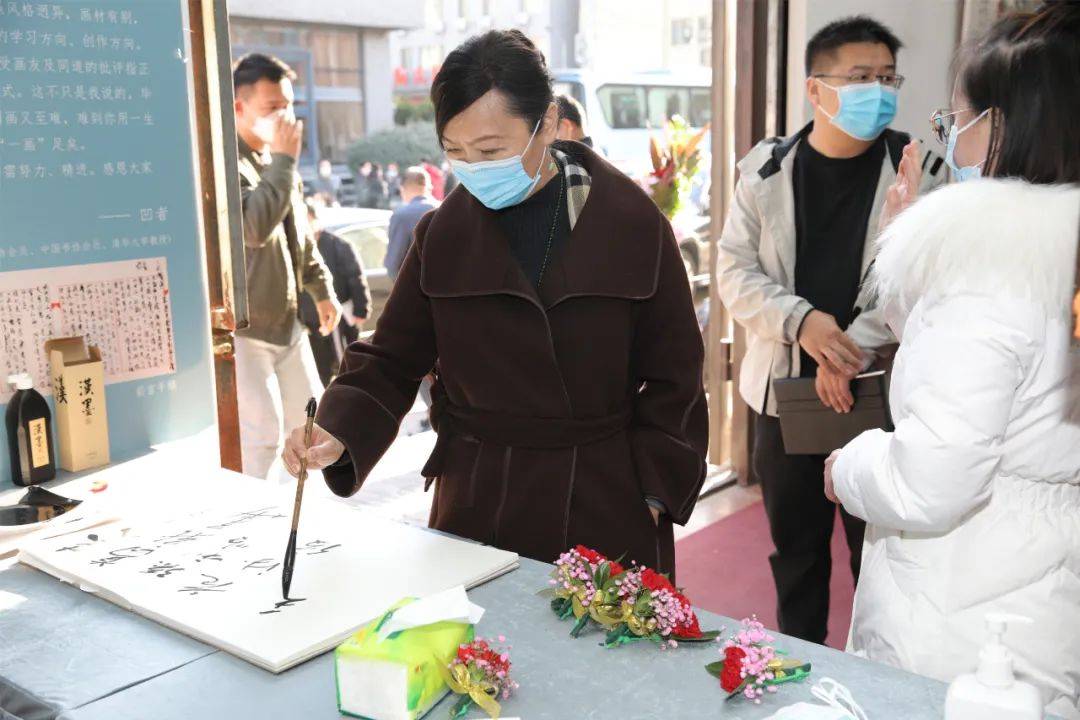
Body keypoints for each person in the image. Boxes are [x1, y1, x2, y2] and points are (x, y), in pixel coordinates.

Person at [282, 29, 707, 577]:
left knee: (599, 651)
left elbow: (677, 377)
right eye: (455, 153)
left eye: (491, 151)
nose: (474, 170)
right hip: (478, 493)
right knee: (477, 653)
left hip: (604, 495)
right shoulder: (443, 235)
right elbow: (391, 358)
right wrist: (337, 431)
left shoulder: (633, 226)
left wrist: (652, 490)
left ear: (547, 124)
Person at [824, 4, 1080, 716]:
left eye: (955, 119)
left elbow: (933, 482)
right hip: (1045, 588)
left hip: (959, 609)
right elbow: (1001, 361)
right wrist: (915, 263)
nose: (948, 137)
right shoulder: (1052, 255)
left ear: (1004, 125)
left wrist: (851, 467)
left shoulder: (989, 267)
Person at [716, 16, 946, 644]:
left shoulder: (918, 170)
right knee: (796, 553)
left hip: (880, 394)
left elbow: (921, 276)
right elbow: (733, 273)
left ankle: (880, 676)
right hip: (783, 400)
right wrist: (805, 324)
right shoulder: (764, 170)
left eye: (888, 78)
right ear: (816, 90)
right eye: (861, 77)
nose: (880, 89)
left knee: (880, 553)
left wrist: (846, 351)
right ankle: (801, 669)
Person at [231, 53, 339, 479]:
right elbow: (254, 227)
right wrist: (284, 161)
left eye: (288, 105)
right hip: (245, 329)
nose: (285, 117)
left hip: (288, 323)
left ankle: (303, 521)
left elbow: (299, 237)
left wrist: (322, 288)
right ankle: (250, 526)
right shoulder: (228, 163)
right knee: (260, 439)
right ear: (238, 108)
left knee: (312, 429)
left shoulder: (278, 162)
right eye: (272, 108)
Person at [299, 198, 371, 386]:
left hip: (337, 318)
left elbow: (355, 277)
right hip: (309, 322)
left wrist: (361, 309)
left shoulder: (338, 245)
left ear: (314, 219)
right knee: (318, 370)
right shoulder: (297, 248)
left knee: (344, 365)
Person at [385, 166, 440, 281]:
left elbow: (393, 263)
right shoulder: (447, 209)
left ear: (402, 189)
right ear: (429, 188)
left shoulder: (401, 216)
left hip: (417, 288)